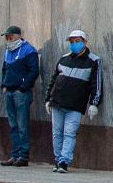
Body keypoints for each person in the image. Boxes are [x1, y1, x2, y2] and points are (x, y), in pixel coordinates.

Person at [44, 30, 103, 173]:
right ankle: (58, 160)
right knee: (57, 133)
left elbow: (97, 84)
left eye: (77, 41)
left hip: (76, 104)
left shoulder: (94, 61)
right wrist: (48, 99)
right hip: (58, 101)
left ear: (85, 42)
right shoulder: (64, 59)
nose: (74, 44)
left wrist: (94, 103)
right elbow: (53, 79)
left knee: (70, 133)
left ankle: (64, 161)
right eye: (72, 42)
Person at [0, 25, 39, 167]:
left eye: (10, 36)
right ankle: (15, 154)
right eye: (6, 37)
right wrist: (4, 84)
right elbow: (5, 69)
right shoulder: (8, 51)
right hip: (9, 91)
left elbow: (34, 71)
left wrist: (23, 87)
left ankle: (23, 155)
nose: (8, 39)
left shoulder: (29, 50)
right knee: (13, 125)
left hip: (21, 92)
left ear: (18, 36)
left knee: (22, 125)